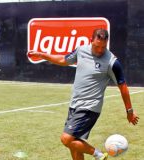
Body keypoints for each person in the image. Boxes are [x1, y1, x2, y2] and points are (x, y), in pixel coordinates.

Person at [27, 29, 139, 160]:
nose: (99, 50)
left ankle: (98, 154)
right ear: (91, 40)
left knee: (66, 139)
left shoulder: (112, 62)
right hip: (75, 104)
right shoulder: (81, 50)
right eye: (97, 46)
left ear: (107, 43)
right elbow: (63, 60)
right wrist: (42, 55)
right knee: (74, 146)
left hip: (89, 108)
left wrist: (129, 110)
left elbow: (123, 86)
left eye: (103, 47)